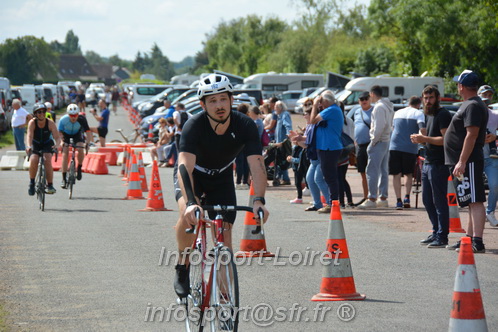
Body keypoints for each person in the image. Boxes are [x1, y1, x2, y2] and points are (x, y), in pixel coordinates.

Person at [173, 74, 269, 298]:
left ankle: (224, 301)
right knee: (188, 216)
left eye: (223, 99)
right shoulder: (193, 126)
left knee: (224, 238)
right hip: (193, 176)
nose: (219, 106)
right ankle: (182, 264)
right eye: (212, 101)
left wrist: (259, 201)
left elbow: (257, 165)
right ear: (202, 104)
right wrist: (190, 204)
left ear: (231, 100)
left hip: (222, 177)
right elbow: (185, 167)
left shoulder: (245, 124)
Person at [444, 70, 489, 253]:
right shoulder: (470, 104)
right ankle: (469, 239)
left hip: (469, 161)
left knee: (475, 200)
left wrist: (462, 161)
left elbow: (472, 135)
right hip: (463, 161)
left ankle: (477, 241)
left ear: (462, 86)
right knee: (470, 200)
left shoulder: (472, 105)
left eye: (458, 84)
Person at [411, 86, 452, 248]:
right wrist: (420, 139)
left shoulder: (443, 114)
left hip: (439, 163)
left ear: (438, 98)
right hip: (428, 162)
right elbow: (429, 138)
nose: (428, 101)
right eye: (425, 98)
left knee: (439, 200)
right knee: (427, 200)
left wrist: (424, 138)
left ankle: (443, 236)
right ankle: (436, 232)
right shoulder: (428, 114)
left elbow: (445, 139)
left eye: (431, 98)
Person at [358, 85, 394, 209]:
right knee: (383, 170)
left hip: (379, 141)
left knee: (372, 170)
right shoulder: (388, 105)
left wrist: (373, 141)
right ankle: (382, 198)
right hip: (386, 141)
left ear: (372, 94)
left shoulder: (379, 107)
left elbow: (379, 126)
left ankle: (372, 198)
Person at [290, 104, 330, 212]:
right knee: (310, 179)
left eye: (306, 114)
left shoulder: (318, 125)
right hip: (313, 158)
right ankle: (318, 204)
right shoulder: (309, 127)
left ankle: (330, 203)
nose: (304, 116)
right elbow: (307, 145)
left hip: (320, 156)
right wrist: (298, 142)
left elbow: (313, 140)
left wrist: (301, 138)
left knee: (318, 179)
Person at [309, 90, 343, 214]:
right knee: (329, 176)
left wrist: (314, 105)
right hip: (327, 147)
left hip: (330, 148)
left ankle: (333, 203)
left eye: (321, 102)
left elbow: (312, 120)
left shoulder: (332, 110)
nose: (320, 105)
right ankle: (332, 202)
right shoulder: (331, 110)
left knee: (330, 177)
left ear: (327, 101)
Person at [389, 96, 425, 210]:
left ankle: (398, 200)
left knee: (396, 174)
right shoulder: (418, 113)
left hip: (395, 145)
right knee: (408, 174)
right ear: (419, 104)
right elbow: (422, 130)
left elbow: (394, 128)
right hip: (410, 146)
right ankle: (407, 197)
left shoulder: (398, 112)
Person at [26, 103, 61, 195]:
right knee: (34, 159)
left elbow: (57, 137)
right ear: (35, 114)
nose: (42, 114)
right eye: (39, 112)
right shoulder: (32, 122)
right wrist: (29, 146)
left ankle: (50, 185)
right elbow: (29, 136)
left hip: (47, 143)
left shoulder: (50, 122)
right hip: (35, 143)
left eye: (43, 111)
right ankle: (32, 183)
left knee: (47, 158)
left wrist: (57, 145)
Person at [477, 85, 498, 227]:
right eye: (484, 95)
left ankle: (490, 212)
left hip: (491, 158)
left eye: (490, 95)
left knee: (495, 185)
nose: (487, 98)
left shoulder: (495, 115)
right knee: (475, 189)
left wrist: (495, 136)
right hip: (475, 156)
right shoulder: (472, 111)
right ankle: (478, 214)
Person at [58, 104, 92, 188]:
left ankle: (79, 167)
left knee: (80, 148)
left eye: (75, 115)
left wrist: (87, 143)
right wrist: (62, 141)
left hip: (77, 134)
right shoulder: (63, 120)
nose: (73, 117)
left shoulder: (82, 119)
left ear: (78, 114)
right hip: (66, 135)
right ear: (68, 114)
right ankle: (63, 178)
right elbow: (59, 132)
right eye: (71, 115)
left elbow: (88, 133)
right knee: (65, 154)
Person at [351, 91, 373, 206]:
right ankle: (365, 197)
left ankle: (374, 197)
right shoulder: (356, 112)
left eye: (366, 98)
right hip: (359, 146)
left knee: (373, 172)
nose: (364, 101)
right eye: (361, 99)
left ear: (370, 99)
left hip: (371, 144)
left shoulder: (374, 111)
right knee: (362, 172)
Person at [274, 100, 293, 185]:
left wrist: (288, 135)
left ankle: (285, 179)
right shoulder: (279, 116)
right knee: (280, 160)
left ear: (280, 107)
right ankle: (284, 178)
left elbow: (287, 125)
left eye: (276, 107)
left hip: (283, 142)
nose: (275, 108)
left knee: (282, 160)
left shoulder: (285, 114)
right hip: (279, 142)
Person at [235, 103, 251, 189]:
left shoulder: (237, 119)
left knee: (239, 163)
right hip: (247, 143)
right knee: (245, 163)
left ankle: (238, 182)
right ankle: (245, 182)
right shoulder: (248, 119)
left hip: (238, 143)